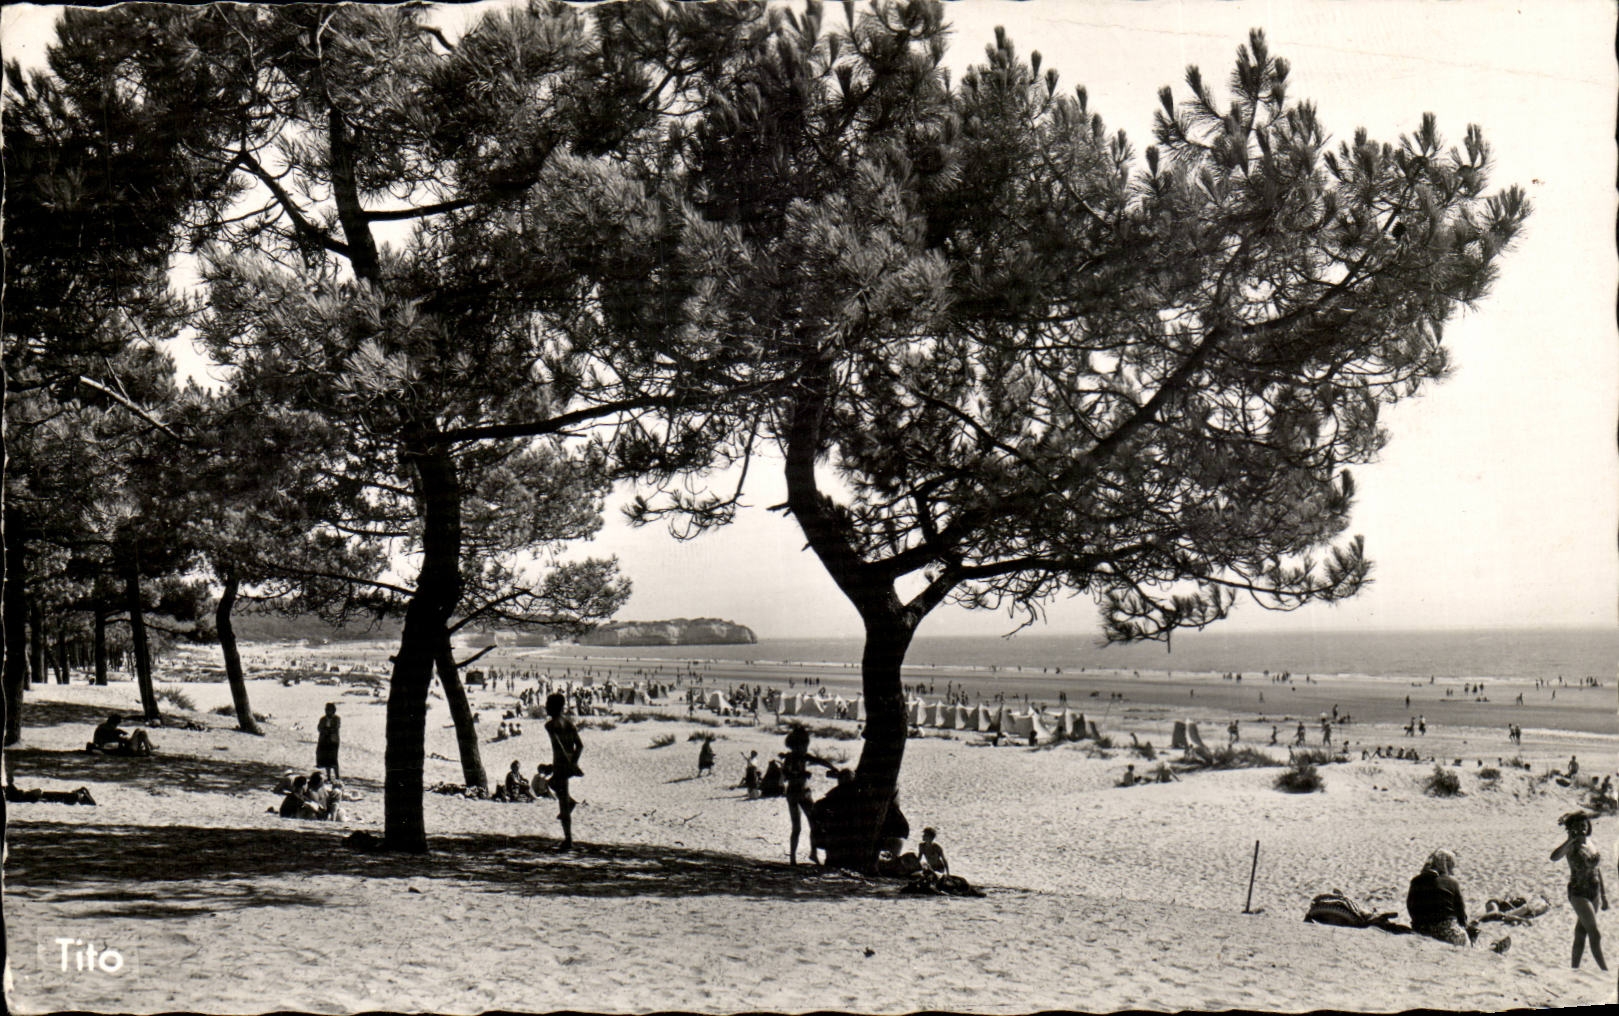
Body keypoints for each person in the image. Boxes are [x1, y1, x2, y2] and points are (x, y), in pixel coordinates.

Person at [1550, 812, 1608, 970]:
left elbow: (1597, 869)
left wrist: (1603, 896)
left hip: (1594, 891)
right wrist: (1569, 840)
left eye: (1584, 825)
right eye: (1578, 825)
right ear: (1571, 828)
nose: (1582, 828)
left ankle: (1574, 968)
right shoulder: (1571, 846)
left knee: (1581, 933)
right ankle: (1604, 970)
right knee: (1594, 933)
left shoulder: (1590, 843)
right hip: (1579, 893)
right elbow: (1554, 857)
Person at [780, 725, 833, 866]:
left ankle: (810, 854)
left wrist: (832, 768)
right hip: (798, 794)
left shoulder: (799, 757)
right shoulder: (791, 759)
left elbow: (820, 761)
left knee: (812, 825)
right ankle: (795, 858)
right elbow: (786, 775)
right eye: (802, 746)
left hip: (797, 794)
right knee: (800, 827)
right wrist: (801, 774)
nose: (804, 749)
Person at [1407, 849, 1470, 946]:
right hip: (1446, 932)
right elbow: (1461, 914)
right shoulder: (1452, 883)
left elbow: (1410, 907)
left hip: (1421, 929)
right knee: (1465, 939)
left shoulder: (1416, 881)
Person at [545, 692, 583, 849]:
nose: (546, 707)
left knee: (562, 802)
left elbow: (558, 746)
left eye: (548, 704)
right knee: (556, 789)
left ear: (554, 707)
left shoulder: (550, 725)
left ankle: (568, 840)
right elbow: (579, 745)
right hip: (566, 763)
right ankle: (570, 804)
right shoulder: (569, 724)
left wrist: (566, 765)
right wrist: (574, 762)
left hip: (561, 764)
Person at [316, 702, 341, 779]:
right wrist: (324, 731)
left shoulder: (336, 718)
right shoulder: (322, 719)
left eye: (329, 710)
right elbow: (319, 728)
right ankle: (329, 776)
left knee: (333, 759)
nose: (327, 711)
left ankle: (337, 776)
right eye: (326, 710)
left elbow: (336, 727)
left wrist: (328, 730)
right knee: (326, 759)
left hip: (333, 741)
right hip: (324, 740)